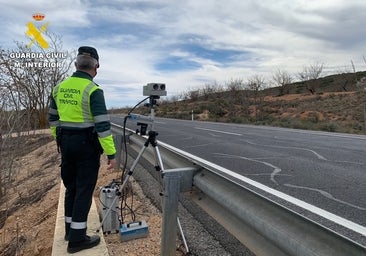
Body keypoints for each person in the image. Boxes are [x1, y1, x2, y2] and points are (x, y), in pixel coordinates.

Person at [48, 46, 116, 253]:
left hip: (66, 144)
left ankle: (70, 231)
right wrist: (111, 154)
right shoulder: (93, 90)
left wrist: (60, 139)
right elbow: (103, 126)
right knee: (84, 191)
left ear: (76, 64)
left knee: (72, 188)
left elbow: (52, 120)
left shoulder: (58, 88)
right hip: (86, 147)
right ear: (97, 67)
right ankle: (77, 240)